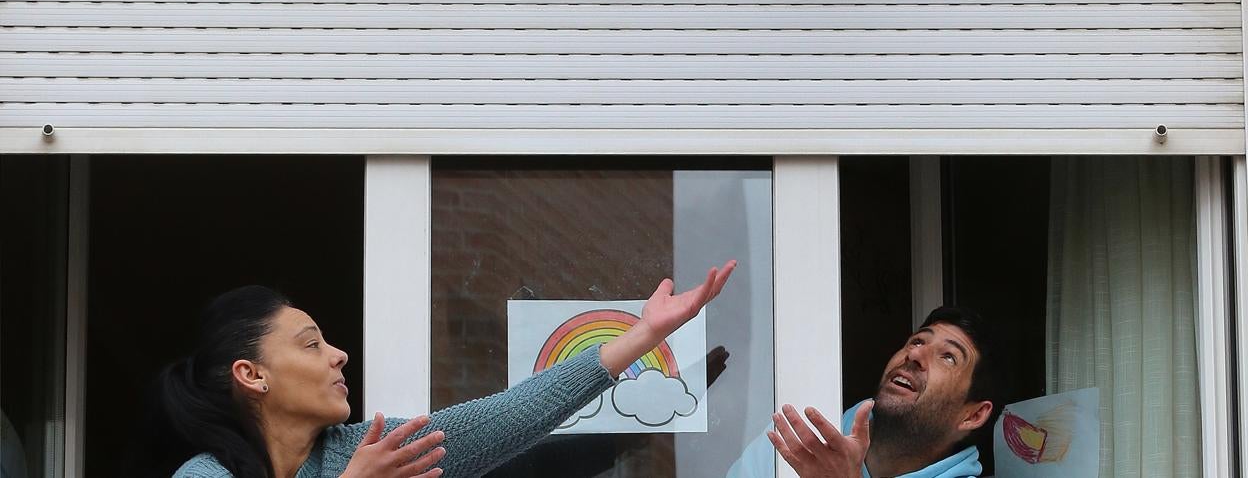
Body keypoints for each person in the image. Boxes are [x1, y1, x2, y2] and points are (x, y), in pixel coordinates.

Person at [137, 260, 735, 478]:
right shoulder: (205, 474)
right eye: (312, 344)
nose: (338, 354)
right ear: (252, 374)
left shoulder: (363, 452)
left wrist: (646, 334)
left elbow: (515, 415)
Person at [734, 305, 1001, 478]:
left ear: (973, 415)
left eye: (948, 357)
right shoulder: (801, 439)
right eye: (918, 340)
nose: (915, 353)